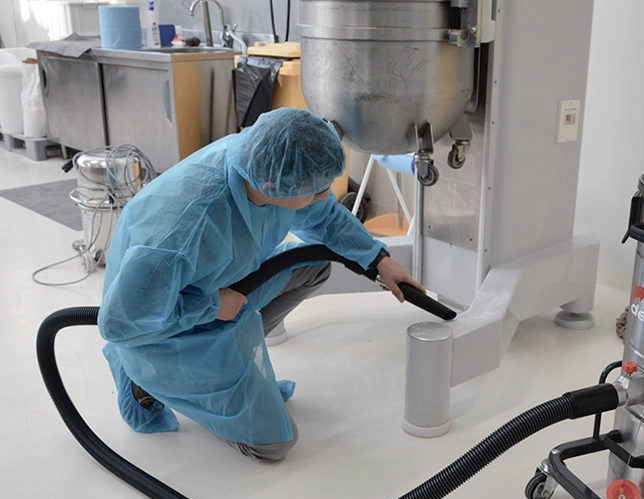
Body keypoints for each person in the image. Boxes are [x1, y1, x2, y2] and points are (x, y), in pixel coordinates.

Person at [98, 108, 423, 462]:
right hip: (161, 330)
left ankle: (233, 354)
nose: (324, 196)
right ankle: (143, 380)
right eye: (316, 191)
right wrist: (211, 306)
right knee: (273, 446)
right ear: (273, 188)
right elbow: (120, 323)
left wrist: (379, 260)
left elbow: (325, 217)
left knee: (313, 265)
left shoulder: (266, 163)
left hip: (223, 288)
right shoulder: (180, 227)